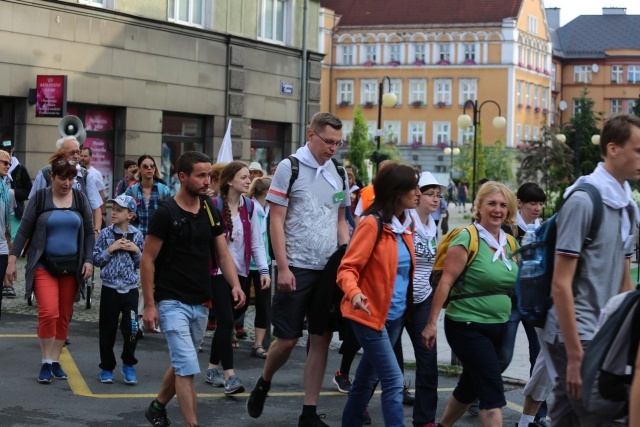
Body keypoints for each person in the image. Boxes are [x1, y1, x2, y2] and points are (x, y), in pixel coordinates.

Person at [247, 112, 350, 427]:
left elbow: (341, 220)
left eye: (337, 142)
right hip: (297, 267)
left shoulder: (340, 173)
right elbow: (275, 221)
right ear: (311, 135)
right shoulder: (290, 168)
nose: (333, 148)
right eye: (328, 141)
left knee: (321, 338)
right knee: (288, 339)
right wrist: (284, 266)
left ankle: (309, 412)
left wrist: (345, 261)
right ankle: (265, 380)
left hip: (328, 269)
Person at [541, 114, 639, 426]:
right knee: (599, 416)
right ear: (613, 148)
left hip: (604, 333)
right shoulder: (583, 200)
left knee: (567, 418)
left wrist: (627, 337)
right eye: (638, 150)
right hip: (578, 334)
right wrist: (573, 355)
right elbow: (561, 284)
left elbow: (625, 280)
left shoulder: (627, 205)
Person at [141, 151, 245, 427]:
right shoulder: (166, 213)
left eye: (209, 174)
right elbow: (147, 260)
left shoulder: (210, 208)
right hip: (170, 300)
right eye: (200, 175)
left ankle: (157, 407)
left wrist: (235, 285)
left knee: (180, 361)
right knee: (187, 365)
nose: (206, 180)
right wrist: (149, 305)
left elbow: (223, 254)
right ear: (182, 177)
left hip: (201, 302)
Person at [423, 181, 519, 427]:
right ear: (479, 207)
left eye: (502, 205)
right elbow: (445, 283)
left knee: (470, 387)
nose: (497, 210)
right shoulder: (467, 238)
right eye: (491, 204)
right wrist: (431, 323)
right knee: (491, 394)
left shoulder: (510, 243)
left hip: (499, 325)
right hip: (467, 326)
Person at [337, 161, 418, 426]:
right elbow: (347, 268)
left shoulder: (404, 226)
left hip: (394, 317)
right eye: (413, 187)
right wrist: (355, 293)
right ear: (397, 192)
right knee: (394, 382)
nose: (418, 192)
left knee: (366, 380)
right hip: (368, 315)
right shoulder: (372, 224)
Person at [6, 150, 95, 383]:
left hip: (72, 267)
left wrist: (89, 260)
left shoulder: (79, 198)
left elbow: (88, 233)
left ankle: (55, 361)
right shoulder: (41, 198)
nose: (67, 183)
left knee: (64, 315)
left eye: (71, 178)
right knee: (48, 312)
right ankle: (45, 361)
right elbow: (24, 229)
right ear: (51, 177)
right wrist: (12, 259)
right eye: (62, 178)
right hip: (44, 264)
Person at [205, 161, 270, 395]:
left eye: (247, 177)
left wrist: (263, 270)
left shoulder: (251, 207)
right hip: (217, 273)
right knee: (225, 321)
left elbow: (256, 243)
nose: (248, 181)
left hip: (241, 273)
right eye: (243, 177)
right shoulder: (213, 206)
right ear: (229, 181)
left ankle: (212, 368)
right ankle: (230, 375)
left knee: (229, 320)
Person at [502, 182, 551, 427]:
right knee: (501, 353)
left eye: (541, 203)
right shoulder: (507, 228)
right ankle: (478, 394)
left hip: (534, 301)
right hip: (510, 300)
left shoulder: (544, 229)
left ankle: (537, 416)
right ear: (519, 203)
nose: (537, 208)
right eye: (533, 203)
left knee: (539, 356)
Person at [406, 171, 446, 427]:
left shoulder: (434, 225)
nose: (435, 200)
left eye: (438, 196)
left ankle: (425, 420)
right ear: (417, 195)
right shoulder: (405, 220)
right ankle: (359, 409)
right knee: (383, 362)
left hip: (423, 300)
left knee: (428, 362)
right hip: (398, 298)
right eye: (430, 195)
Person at [93, 194, 145, 385]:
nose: (114, 213)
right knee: (107, 329)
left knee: (131, 328)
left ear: (130, 214)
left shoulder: (137, 235)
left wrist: (136, 251)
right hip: (110, 289)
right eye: (113, 209)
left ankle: (128, 364)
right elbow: (97, 259)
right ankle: (107, 368)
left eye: (119, 210)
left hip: (130, 289)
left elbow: (142, 263)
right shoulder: (106, 234)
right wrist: (111, 248)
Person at [29, 136, 103, 235]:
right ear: (61, 153)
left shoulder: (85, 176)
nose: (77, 156)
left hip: (78, 235)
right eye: (72, 152)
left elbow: (96, 208)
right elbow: (32, 205)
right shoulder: (45, 173)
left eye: (78, 152)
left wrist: (96, 231)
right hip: (48, 233)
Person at [246, 176, 273, 358]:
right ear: (266, 192)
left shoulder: (271, 210)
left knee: (263, 304)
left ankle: (258, 344)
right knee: (240, 301)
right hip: (246, 262)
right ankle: (230, 332)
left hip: (265, 262)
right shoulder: (249, 207)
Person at [125, 155, 172, 237]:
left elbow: (169, 217)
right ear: (139, 169)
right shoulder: (131, 191)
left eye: (152, 166)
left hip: (157, 238)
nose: (149, 168)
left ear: (154, 168)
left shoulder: (164, 190)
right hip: (136, 238)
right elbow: (124, 216)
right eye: (145, 166)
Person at [1, 140, 32, 242]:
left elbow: (28, 191)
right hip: (2, 211)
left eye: (9, 151)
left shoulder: (20, 168)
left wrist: (13, 192)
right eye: (5, 151)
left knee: (12, 241)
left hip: (14, 212)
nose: (8, 153)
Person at [80, 146, 107, 225]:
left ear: (91, 157)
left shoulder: (96, 173)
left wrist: (104, 213)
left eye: (85, 156)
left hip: (93, 211)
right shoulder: (75, 171)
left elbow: (101, 194)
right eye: (81, 156)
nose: (83, 158)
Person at [0, 150, 12, 318]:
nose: (8, 166)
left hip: (1, 249)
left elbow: (7, 224)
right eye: (4, 163)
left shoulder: (7, 192)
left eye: (9, 163)